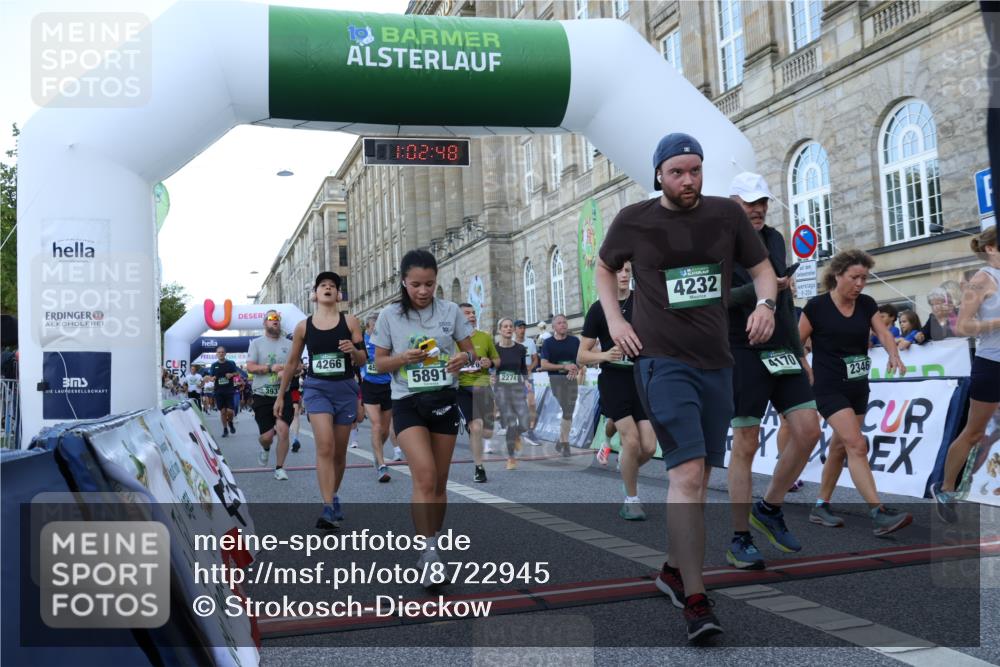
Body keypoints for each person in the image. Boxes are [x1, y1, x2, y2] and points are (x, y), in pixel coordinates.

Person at [598, 132, 776, 641]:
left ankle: (674, 570)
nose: (688, 180)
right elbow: (605, 268)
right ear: (658, 174)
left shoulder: (726, 215)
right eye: (677, 172)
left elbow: (762, 268)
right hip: (659, 361)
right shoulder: (634, 219)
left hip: (716, 363)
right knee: (689, 472)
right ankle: (696, 600)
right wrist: (615, 320)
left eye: (695, 170)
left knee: (698, 480)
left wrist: (765, 306)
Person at [723, 172, 821, 570]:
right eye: (748, 202)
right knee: (746, 442)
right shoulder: (718, 244)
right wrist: (764, 289)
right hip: (741, 348)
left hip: (781, 348)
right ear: (733, 204)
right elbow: (716, 301)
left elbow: (783, 303)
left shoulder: (776, 239)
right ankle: (739, 538)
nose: (757, 208)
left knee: (809, 430)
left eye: (761, 201)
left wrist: (799, 353)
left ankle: (769, 508)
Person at [371, 249, 475, 588]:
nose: (423, 291)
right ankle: (429, 553)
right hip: (407, 402)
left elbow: (471, 351)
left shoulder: (450, 311)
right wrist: (403, 357)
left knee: (440, 483)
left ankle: (431, 539)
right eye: (416, 284)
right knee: (425, 476)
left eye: (429, 284)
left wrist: (463, 358)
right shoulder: (389, 316)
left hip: (444, 399)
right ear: (404, 282)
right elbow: (379, 364)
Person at [800, 249, 912, 534]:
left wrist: (893, 353)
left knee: (840, 447)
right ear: (837, 275)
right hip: (828, 387)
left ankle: (821, 505)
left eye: (864, 278)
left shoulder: (866, 304)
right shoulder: (816, 307)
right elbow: (794, 341)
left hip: (858, 385)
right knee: (857, 444)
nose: (860, 283)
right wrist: (805, 368)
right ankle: (879, 512)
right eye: (854, 277)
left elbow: (884, 332)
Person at [275, 272, 366, 529]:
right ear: (315, 293)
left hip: (346, 389)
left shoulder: (350, 321)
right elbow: (292, 362)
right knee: (324, 446)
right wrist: (281, 395)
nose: (328, 288)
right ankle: (327, 507)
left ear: (338, 294)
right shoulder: (304, 326)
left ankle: (333, 495)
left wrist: (353, 351)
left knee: (338, 452)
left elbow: (363, 360)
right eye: (323, 285)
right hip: (317, 389)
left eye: (332, 286)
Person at [579, 261, 658, 520]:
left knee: (648, 447)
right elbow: (581, 355)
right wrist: (605, 355)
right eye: (618, 271)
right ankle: (631, 499)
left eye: (627, 271)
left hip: (640, 379)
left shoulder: (642, 302)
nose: (623, 275)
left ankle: (626, 467)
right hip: (613, 380)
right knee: (631, 441)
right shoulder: (599, 308)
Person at [932, 226, 1000, 521]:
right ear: (991, 248)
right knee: (973, 433)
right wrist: (997, 322)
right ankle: (946, 488)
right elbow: (962, 327)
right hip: (991, 365)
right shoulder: (982, 279)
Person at [246, 310, 296, 480]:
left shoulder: (289, 344)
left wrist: (288, 371)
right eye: (272, 318)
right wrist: (269, 368)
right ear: (264, 323)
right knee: (267, 437)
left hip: (283, 394)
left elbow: (299, 367)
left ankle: (280, 467)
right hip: (262, 394)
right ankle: (265, 448)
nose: (275, 321)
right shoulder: (256, 343)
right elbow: (250, 367)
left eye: (278, 318)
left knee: (283, 431)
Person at [456, 303, 500, 483]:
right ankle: (479, 467)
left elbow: (497, 360)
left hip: (483, 387)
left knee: (487, 432)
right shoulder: (452, 340)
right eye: (467, 313)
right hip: (462, 388)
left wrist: (489, 362)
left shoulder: (484, 337)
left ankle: (476, 430)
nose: (472, 315)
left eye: (473, 312)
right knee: (476, 427)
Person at [539, 314, 582, 457]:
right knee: (566, 408)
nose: (563, 325)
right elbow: (544, 364)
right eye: (559, 323)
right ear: (553, 327)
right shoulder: (548, 343)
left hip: (571, 379)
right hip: (557, 380)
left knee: (568, 411)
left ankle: (562, 442)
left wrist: (575, 367)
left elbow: (580, 360)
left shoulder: (575, 341)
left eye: (565, 322)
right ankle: (564, 443)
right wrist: (564, 367)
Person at [494, 318, 532, 469]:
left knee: (525, 422)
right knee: (510, 421)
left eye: (510, 326)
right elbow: (491, 368)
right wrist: (491, 376)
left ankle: (517, 433)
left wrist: (526, 380)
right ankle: (511, 458)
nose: (508, 329)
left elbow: (523, 368)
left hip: (517, 389)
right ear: (500, 330)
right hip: (502, 390)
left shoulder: (520, 349)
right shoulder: (495, 349)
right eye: (505, 326)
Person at [361, 311, 394, 482]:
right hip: (369, 385)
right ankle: (381, 465)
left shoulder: (386, 341)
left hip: (387, 386)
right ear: (368, 326)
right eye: (376, 327)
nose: (379, 330)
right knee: (376, 424)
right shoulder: (361, 341)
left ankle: (377, 452)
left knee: (385, 430)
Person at [514, 319, 540, 434]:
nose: (522, 330)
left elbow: (536, 360)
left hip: (528, 377)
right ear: (515, 330)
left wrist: (530, 368)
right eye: (520, 328)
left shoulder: (530, 342)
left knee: (531, 402)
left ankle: (532, 424)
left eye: (524, 328)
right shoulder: (511, 343)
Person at [209, 346, 240, 438]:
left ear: (225, 353)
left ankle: (230, 422)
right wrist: (212, 378)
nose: (221, 354)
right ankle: (225, 429)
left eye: (222, 352)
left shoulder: (231, 363)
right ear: (216, 354)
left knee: (230, 411)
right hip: (218, 391)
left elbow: (237, 373)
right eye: (219, 352)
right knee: (223, 411)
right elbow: (211, 377)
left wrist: (232, 374)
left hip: (229, 390)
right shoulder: (214, 365)